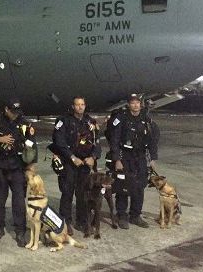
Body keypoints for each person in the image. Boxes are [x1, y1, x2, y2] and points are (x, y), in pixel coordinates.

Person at [0, 98, 37, 247]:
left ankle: (20, 230)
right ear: (6, 109)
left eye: (17, 111)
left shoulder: (24, 123)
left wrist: (31, 164)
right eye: (13, 111)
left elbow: (32, 143)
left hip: (17, 167)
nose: (15, 114)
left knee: (18, 200)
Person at [49, 96, 101, 234]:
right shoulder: (63, 121)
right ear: (73, 106)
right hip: (69, 163)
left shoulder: (90, 121)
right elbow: (58, 142)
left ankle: (81, 221)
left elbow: (97, 142)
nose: (80, 107)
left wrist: (93, 157)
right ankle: (66, 222)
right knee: (67, 193)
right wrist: (72, 157)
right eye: (77, 104)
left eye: (82, 104)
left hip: (85, 164)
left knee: (82, 193)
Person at [109, 94, 159, 229]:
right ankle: (122, 215)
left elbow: (153, 139)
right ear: (128, 104)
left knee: (140, 186)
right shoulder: (121, 119)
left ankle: (135, 215)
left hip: (141, 157)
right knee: (123, 186)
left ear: (141, 104)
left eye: (138, 102)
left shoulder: (147, 119)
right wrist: (117, 159)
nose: (135, 105)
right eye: (133, 103)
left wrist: (153, 158)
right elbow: (114, 140)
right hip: (125, 156)